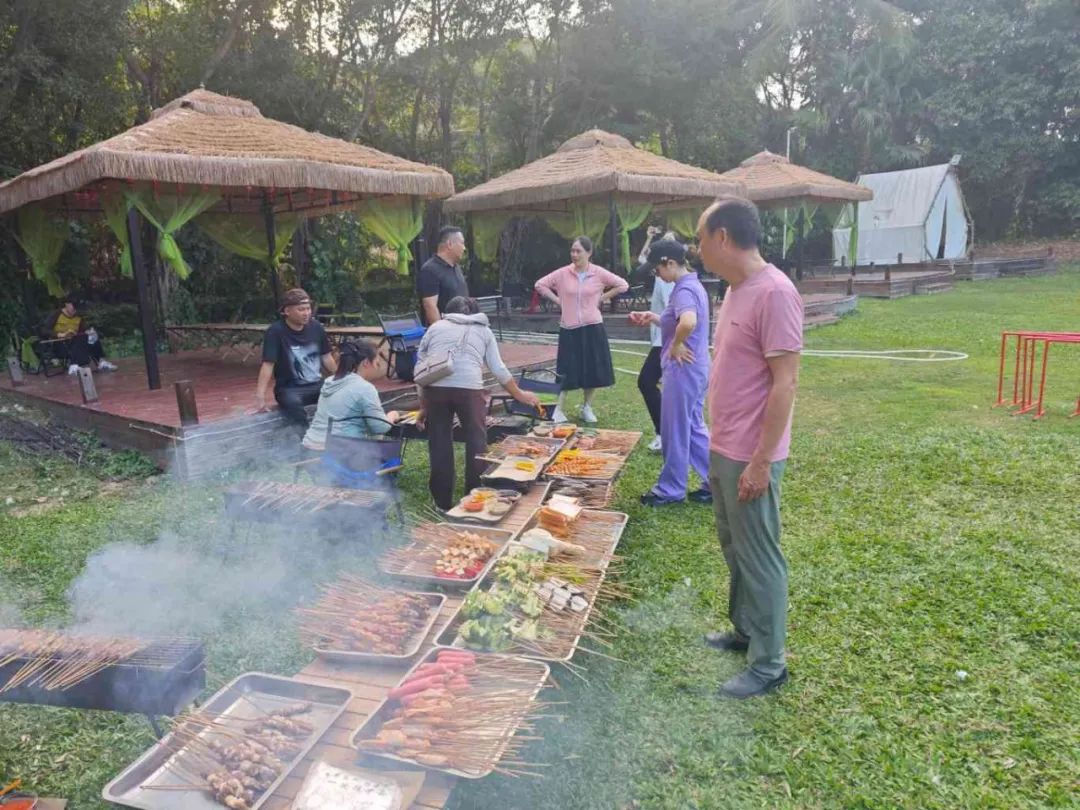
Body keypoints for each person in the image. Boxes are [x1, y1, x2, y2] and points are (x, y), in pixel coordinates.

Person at [696, 197, 803, 700]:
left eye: (700, 239)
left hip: (751, 453)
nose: (697, 250)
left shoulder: (776, 293)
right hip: (724, 444)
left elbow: (786, 384)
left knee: (760, 556)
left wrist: (761, 462)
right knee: (734, 547)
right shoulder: (735, 291)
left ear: (722, 238)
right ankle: (745, 630)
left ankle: (769, 665)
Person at [416, 296, 541, 510]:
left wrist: (424, 406)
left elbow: (420, 369)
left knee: (439, 443)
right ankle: (475, 497)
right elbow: (498, 368)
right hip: (469, 390)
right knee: (476, 442)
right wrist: (519, 394)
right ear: (475, 313)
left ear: (448, 312)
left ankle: (442, 502)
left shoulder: (435, 328)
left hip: (435, 390)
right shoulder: (484, 331)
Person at [630, 240, 712, 507]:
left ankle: (671, 489)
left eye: (657, 269)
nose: (657, 275)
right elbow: (678, 319)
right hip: (696, 367)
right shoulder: (690, 285)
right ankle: (717, 482)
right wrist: (654, 317)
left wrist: (676, 345)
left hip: (683, 369)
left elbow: (688, 321)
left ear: (671, 263)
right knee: (693, 428)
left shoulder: (684, 289)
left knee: (675, 429)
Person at [533, 236, 628, 423]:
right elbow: (540, 284)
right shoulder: (562, 273)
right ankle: (558, 409)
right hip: (569, 328)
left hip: (592, 327)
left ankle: (587, 407)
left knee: (592, 369)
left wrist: (602, 297)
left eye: (579, 251)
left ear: (589, 253)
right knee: (566, 370)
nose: (574, 255)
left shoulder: (598, 273)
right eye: (572, 251)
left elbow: (622, 285)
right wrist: (558, 300)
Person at [254, 288, 338, 426]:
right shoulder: (275, 332)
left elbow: (327, 357)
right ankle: (304, 436)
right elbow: (268, 364)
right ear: (287, 311)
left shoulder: (316, 328)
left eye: (308, 309)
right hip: (290, 389)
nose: (306, 313)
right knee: (294, 407)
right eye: (301, 309)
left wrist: (343, 380)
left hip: (317, 384)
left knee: (344, 396)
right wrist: (260, 396)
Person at [302, 339, 400, 451]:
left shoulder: (330, 381)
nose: (378, 368)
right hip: (337, 452)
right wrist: (392, 415)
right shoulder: (364, 388)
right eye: (377, 363)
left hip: (310, 445)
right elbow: (380, 427)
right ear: (366, 362)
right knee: (388, 452)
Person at [633, 228, 677, 451]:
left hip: (666, 341)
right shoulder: (662, 274)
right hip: (662, 339)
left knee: (647, 382)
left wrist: (676, 344)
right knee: (655, 384)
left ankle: (664, 433)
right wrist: (649, 236)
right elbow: (643, 260)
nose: (655, 273)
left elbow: (675, 316)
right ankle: (667, 433)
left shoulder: (669, 280)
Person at [44, 299, 117, 375]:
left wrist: (89, 332)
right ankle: (73, 367)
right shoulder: (56, 314)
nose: (75, 311)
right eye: (73, 307)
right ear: (67, 304)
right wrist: (60, 334)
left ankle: (101, 362)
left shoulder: (78, 316)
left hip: (77, 344)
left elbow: (83, 330)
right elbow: (44, 330)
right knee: (79, 339)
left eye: (76, 308)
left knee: (91, 336)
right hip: (60, 345)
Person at [417, 226, 469, 326]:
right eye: (462, 243)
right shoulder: (430, 270)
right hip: (448, 330)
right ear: (449, 244)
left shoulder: (456, 267)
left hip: (464, 328)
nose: (464, 248)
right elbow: (430, 306)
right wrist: (442, 331)